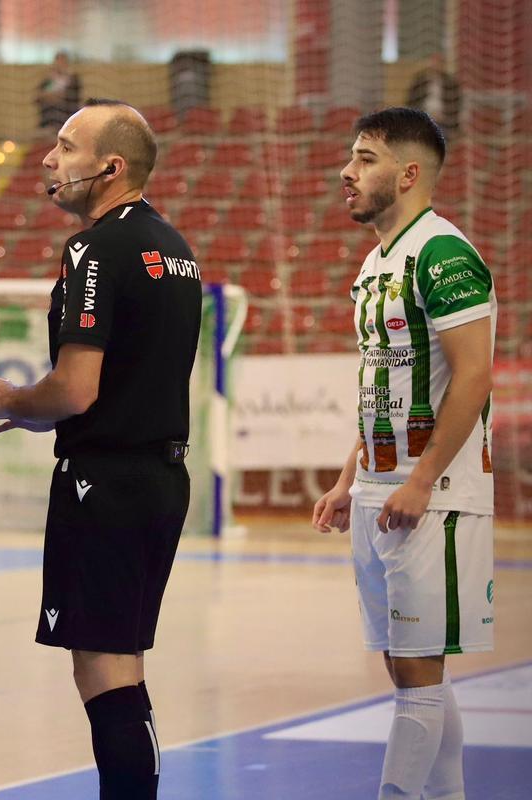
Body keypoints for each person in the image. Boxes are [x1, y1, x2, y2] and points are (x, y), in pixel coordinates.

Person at [0, 99, 201, 799]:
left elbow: (75, 390)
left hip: (109, 482)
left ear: (110, 167)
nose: (49, 160)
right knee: (121, 665)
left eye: (65, 147)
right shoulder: (175, 247)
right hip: (160, 479)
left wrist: (13, 402)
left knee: (103, 671)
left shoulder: (94, 248)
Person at [313, 107, 496, 800]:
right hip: (377, 491)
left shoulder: (444, 253)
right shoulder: (376, 260)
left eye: (364, 158)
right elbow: (381, 383)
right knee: (405, 667)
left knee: (418, 670)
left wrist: (421, 480)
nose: (346, 172)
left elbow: (474, 375)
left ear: (409, 173)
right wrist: (346, 478)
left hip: (435, 496)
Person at [405, 54, 461, 135]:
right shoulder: (420, 80)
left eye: (439, 63)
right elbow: (411, 101)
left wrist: (445, 116)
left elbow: (455, 104)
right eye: (434, 62)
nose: (436, 65)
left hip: (443, 119)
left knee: (440, 133)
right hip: (423, 117)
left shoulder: (450, 83)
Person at [36, 51, 81, 137]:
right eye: (58, 61)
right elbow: (38, 96)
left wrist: (52, 95)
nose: (60, 64)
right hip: (48, 118)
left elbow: (70, 96)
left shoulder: (73, 79)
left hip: (65, 115)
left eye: (62, 61)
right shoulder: (49, 80)